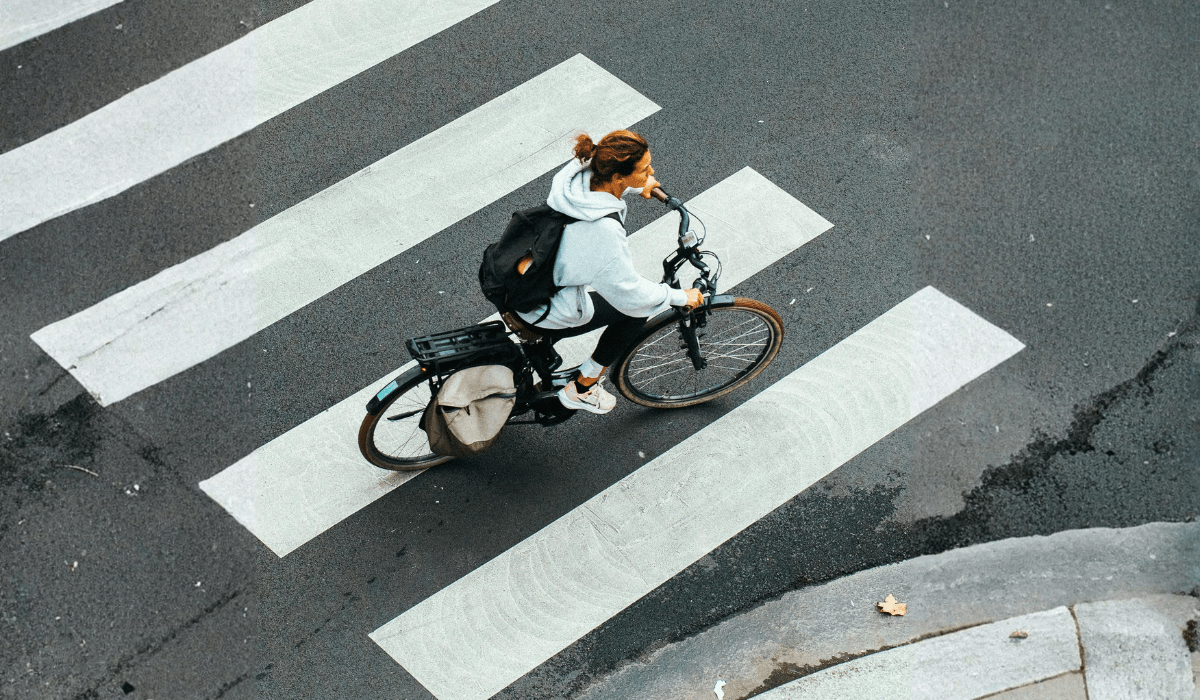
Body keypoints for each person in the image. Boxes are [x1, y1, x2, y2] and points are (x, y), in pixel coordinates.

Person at [515, 129, 703, 415]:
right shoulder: (603, 231)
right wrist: (678, 296)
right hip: (542, 305)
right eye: (643, 169)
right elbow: (630, 293)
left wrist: (637, 185)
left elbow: (604, 189)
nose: (652, 172)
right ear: (617, 176)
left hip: (521, 277)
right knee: (636, 312)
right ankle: (582, 387)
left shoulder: (576, 178)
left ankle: (540, 351)